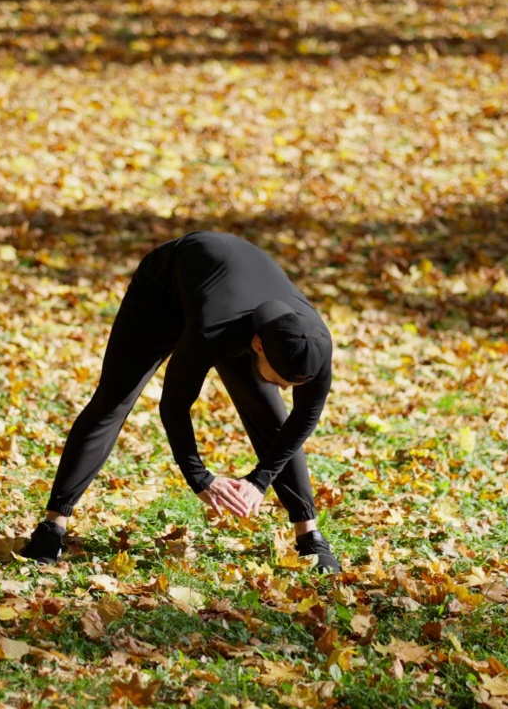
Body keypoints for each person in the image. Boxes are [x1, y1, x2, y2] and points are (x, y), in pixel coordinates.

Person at [19, 231, 341, 573]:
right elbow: (174, 405)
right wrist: (200, 478)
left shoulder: (313, 345)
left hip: (235, 299)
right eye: (279, 380)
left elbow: (305, 415)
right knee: (113, 399)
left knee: (271, 414)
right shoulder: (211, 332)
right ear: (259, 346)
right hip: (164, 291)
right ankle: (53, 526)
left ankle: (310, 537)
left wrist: (259, 480)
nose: (284, 388)